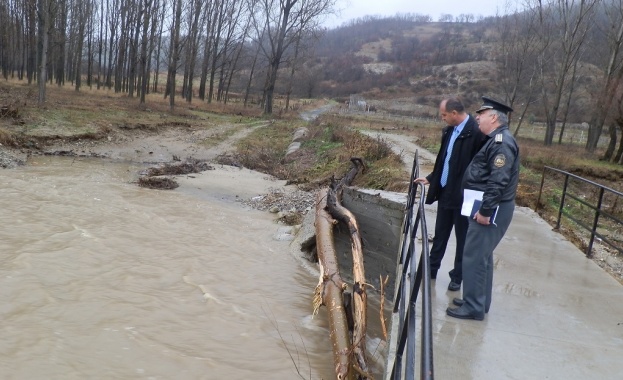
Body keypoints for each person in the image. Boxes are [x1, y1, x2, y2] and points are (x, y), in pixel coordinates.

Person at [446, 96, 520, 321]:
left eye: (482, 114)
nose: (477, 117)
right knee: (483, 257)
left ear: (494, 117)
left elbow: (498, 181)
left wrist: (486, 211)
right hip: (486, 205)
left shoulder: (501, 143)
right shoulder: (495, 139)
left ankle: (473, 306)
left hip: (491, 208)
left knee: (475, 256)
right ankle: (478, 300)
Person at [415, 98, 486, 291]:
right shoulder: (449, 131)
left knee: (463, 238)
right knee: (440, 234)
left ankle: (457, 277)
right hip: (446, 191)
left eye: (444, 114)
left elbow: (482, 167)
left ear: (454, 113)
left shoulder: (476, 133)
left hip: (464, 196)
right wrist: (432, 178)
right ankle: (432, 268)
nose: (442, 118)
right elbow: (445, 159)